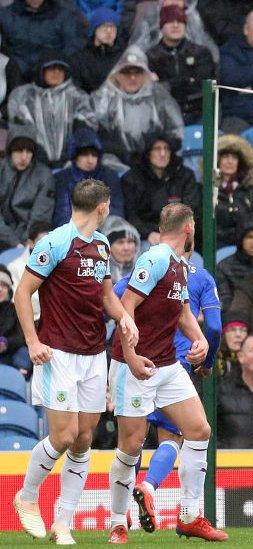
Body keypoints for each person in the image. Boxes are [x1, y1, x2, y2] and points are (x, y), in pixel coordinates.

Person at [11, 179, 137, 545]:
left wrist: (122, 317)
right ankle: (27, 496)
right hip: (58, 352)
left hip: (94, 354)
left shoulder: (101, 245)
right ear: (102, 206)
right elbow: (22, 294)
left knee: (83, 439)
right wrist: (32, 341)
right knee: (63, 436)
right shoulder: (54, 242)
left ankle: (62, 522)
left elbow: (104, 295)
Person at [106, 203, 226, 543]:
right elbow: (125, 306)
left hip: (168, 364)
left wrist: (199, 339)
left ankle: (190, 516)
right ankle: (117, 521)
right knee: (130, 446)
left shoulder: (182, 266)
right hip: (136, 365)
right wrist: (130, 356)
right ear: (189, 229)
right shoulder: (156, 257)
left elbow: (183, 310)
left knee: (199, 430)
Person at [92, 46, 184, 169]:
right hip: (116, 164)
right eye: (126, 73)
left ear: (146, 74)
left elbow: (176, 132)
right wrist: (120, 152)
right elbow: (95, 135)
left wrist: (155, 150)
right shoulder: (104, 99)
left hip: (155, 164)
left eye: (138, 72)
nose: (132, 78)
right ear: (117, 75)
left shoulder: (160, 97)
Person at [6, 51, 97, 168]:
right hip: (32, 162)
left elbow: (85, 128)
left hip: (70, 163)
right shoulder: (23, 96)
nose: (56, 72)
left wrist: (72, 153)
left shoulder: (77, 96)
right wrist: (35, 151)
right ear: (41, 71)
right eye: (51, 68)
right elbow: (19, 128)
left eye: (61, 69)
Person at [122, 134, 201, 244]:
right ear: (148, 152)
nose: (163, 154)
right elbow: (130, 215)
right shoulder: (131, 178)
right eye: (157, 149)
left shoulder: (185, 176)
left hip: (179, 236)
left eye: (166, 149)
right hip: (144, 237)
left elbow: (190, 211)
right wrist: (148, 233)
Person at [146, 4, 217, 123]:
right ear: (161, 27)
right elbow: (153, 92)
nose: (175, 25)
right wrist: (188, 79)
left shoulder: (201, 53)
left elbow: (205, 87)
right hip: (165, 116)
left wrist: (166, 84)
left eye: (180, 21)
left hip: (198, 114)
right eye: (170, 21)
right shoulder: (151, 56)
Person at [53, 127, 125, 226]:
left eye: (94, 155)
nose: (90, 160)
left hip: (104, 229)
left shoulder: (109, 176)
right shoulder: (63, 179)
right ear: (75, 155)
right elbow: (62, 212)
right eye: (85, 155)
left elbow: (115, 210)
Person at [0, 127, 55, 250]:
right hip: (3, 233)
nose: (24, 157)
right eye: (19, 151)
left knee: (43, 236)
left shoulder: (43, 175)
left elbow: (40, 215)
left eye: (29, 151)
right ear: (10, 151)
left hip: (29, 236)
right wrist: (13, 242)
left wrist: (25, 241)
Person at [0, 0, 85, 78]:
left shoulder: (64, 14)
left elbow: (74, 45)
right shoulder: (6, 14)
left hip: (53, 74)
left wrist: (53, 65)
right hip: (16, 75)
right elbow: (4, 50)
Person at [213, 134, 253, 248]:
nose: (230, 161)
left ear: (240, 162)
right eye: (226, 156)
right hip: (216, 244)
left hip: (247, 245)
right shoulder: (208, 188)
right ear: (218, 160)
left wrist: (242, 236)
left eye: (234, 157)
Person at [216, 214, 253, 310]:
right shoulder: (224, 267)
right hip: (236, 318)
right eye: (249, 237)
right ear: (241, 240)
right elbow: (225, 300)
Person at [70, 7, 125, 93]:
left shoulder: (123, 55)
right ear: (94, 29)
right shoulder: (80, 57)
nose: (109, 31)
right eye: (104, 26)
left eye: (113, 27)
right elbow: (77, 88)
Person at [8, 221, 50, 324]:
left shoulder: (59, 264)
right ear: (31, 243)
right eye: (42, 242)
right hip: (26, 323)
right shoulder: (14, 267)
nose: (47, 247)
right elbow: (16, 301)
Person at [103, 216, 140, 281]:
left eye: (130, 241)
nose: (126, 248)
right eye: (120, 242)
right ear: (108, 247)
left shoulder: (145, 270)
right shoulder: (99, 275)